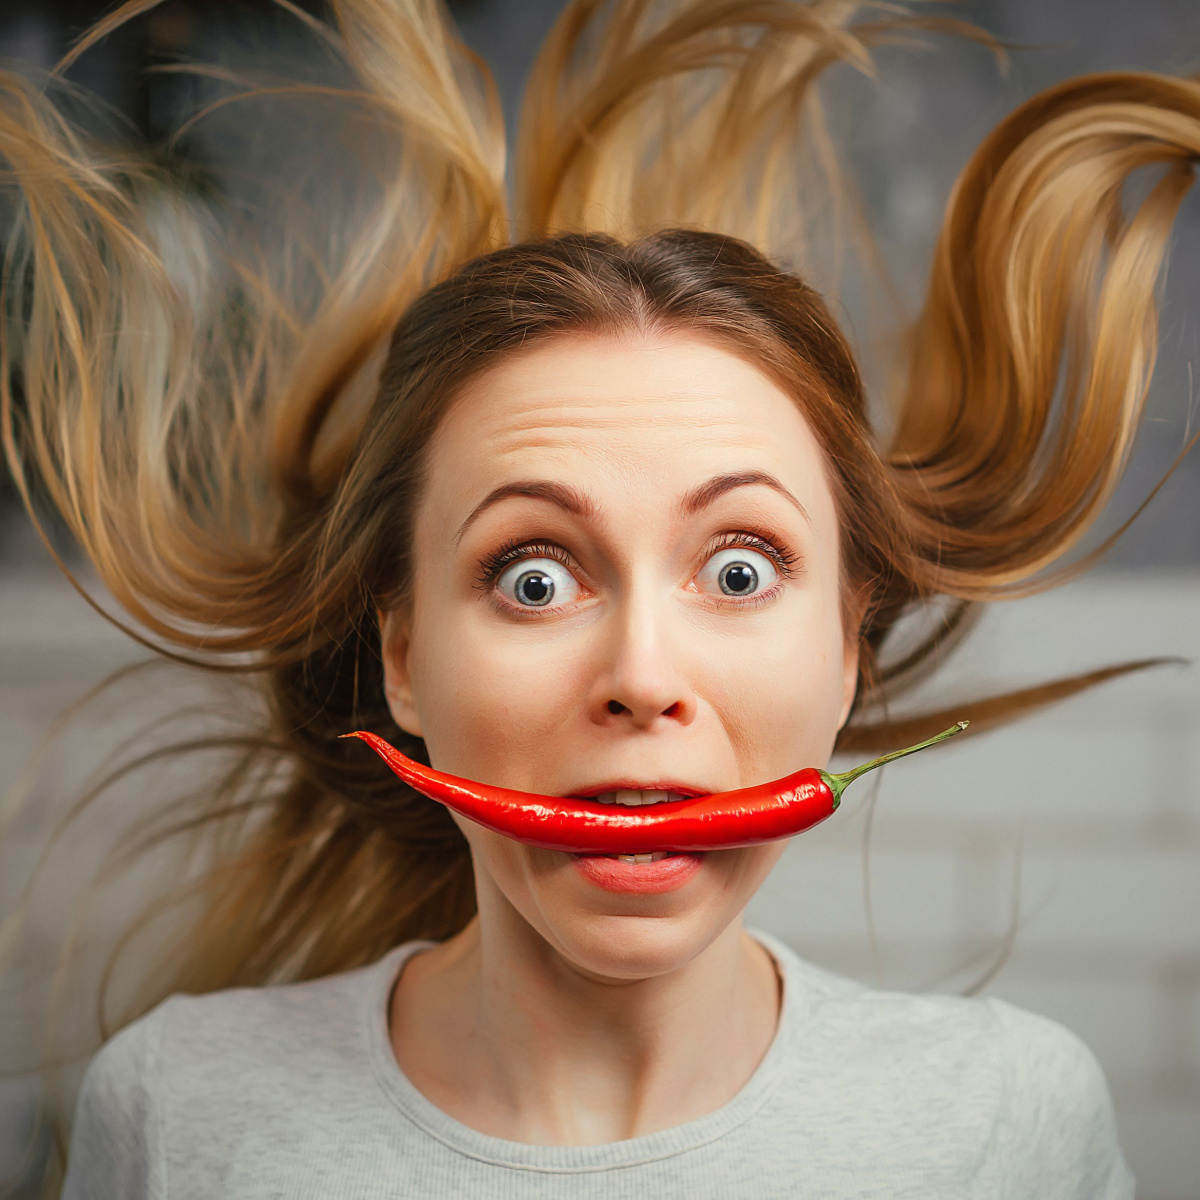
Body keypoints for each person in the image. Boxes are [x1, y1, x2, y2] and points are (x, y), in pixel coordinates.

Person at [2, 0, 1196, 1195]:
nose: (641, 678)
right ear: (404, 654)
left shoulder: (1006, 1120)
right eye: (534, 578)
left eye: (740, 570)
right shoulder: (178, 1109)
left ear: (848, 651)